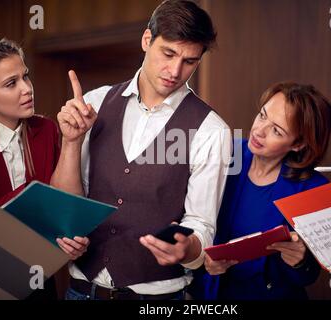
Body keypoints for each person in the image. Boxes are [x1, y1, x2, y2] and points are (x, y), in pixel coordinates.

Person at [50, 0, 231, 300]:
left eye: (190, 61)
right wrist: (71, 142)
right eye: (169, 53)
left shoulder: (212, 130)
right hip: (81, 291)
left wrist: (187, 249)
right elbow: (66, 208)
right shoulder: (95, 102)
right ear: (147, 40)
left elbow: (202, 224)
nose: (175, 71)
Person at [0, 38, 88, 300]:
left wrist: (66, 240)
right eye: (11, 83)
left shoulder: (45, 130)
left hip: (39, 279)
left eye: (26, 77)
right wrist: (36, 201)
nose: (27, 89)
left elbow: (64, 204)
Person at [189, 82, 331, 300]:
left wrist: (300, 261)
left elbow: (309, 275)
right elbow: (193, 221)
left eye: (276, 130)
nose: (259, 130)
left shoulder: (313, 189)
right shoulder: (225, 152)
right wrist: (203, 261)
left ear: (298, 144)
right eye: (262, 115)